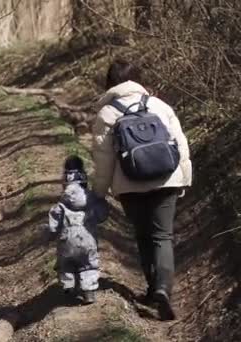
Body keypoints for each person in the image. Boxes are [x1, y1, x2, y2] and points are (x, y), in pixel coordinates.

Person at [91, 59, 192, 320]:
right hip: (166, 179)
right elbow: (181, 146)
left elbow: (104, 161)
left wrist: (98, 193)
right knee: (162, 236)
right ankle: (162, 289)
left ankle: (152, 289)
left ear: (110, 83)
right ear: (138, 79)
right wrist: (184, 179)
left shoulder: (106, 114)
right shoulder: (160, 105)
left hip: (129, 184)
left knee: (143, 235)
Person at [47, 156, 109, 304]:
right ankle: (89, 291)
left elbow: (53, 223)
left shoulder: (61, 203)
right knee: (89, 265)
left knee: (66, 265)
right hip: (88, 239)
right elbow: (102, 216)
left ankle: (68, 287)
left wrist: (50, 233)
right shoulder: (91, 200)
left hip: (66, 241)